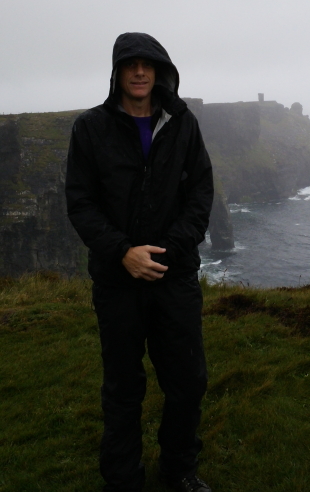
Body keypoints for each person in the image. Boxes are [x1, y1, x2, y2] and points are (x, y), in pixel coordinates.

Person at [65, 32, 214, 492]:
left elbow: (201, 193)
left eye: (148, 64)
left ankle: (179, 471)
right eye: (130, 64)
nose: (140, 72)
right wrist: (123, 252)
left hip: (174, 274)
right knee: (123, 390)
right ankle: (123, 480)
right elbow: (81, 202)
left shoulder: (183, 123)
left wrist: (166, 250)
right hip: (117, 280)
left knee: (187, 381)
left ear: (161, 71)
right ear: (117, 72)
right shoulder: (90, 128)